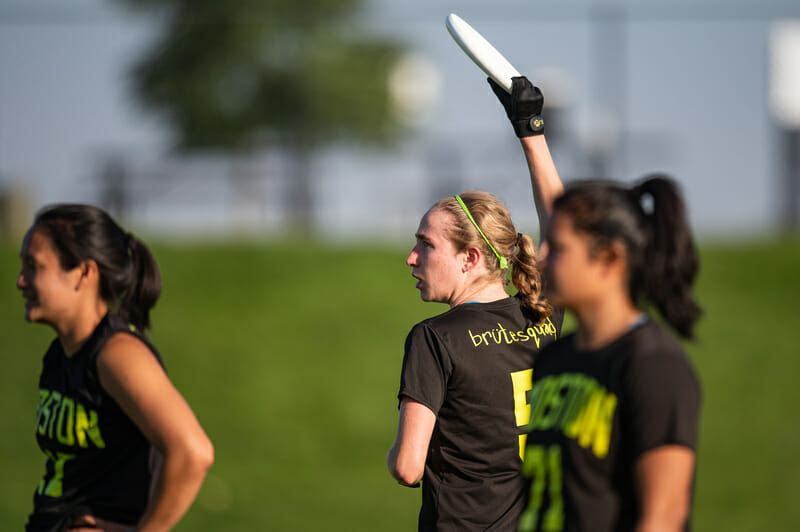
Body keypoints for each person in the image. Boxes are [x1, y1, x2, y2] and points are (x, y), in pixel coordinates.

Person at [387, 77, 565, 531]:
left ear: (469, 258)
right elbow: (564, 232)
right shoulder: (541, 311)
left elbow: (408, 467)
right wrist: (532, 130)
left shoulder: (435, 339)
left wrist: (395, 452)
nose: (411, 257)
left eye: (425, 245)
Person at [517, 176, 702, 532]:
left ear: (610, 258)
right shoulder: (552, 360)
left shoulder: (653, 366)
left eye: (557, 249)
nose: (541, 260)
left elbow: (663, 518)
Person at [17, 204, 214, 532]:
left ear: (84, 273)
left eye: (33, 267)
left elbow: (193, 451)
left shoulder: (116, 354)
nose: (21, 281)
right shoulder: (59, 355)